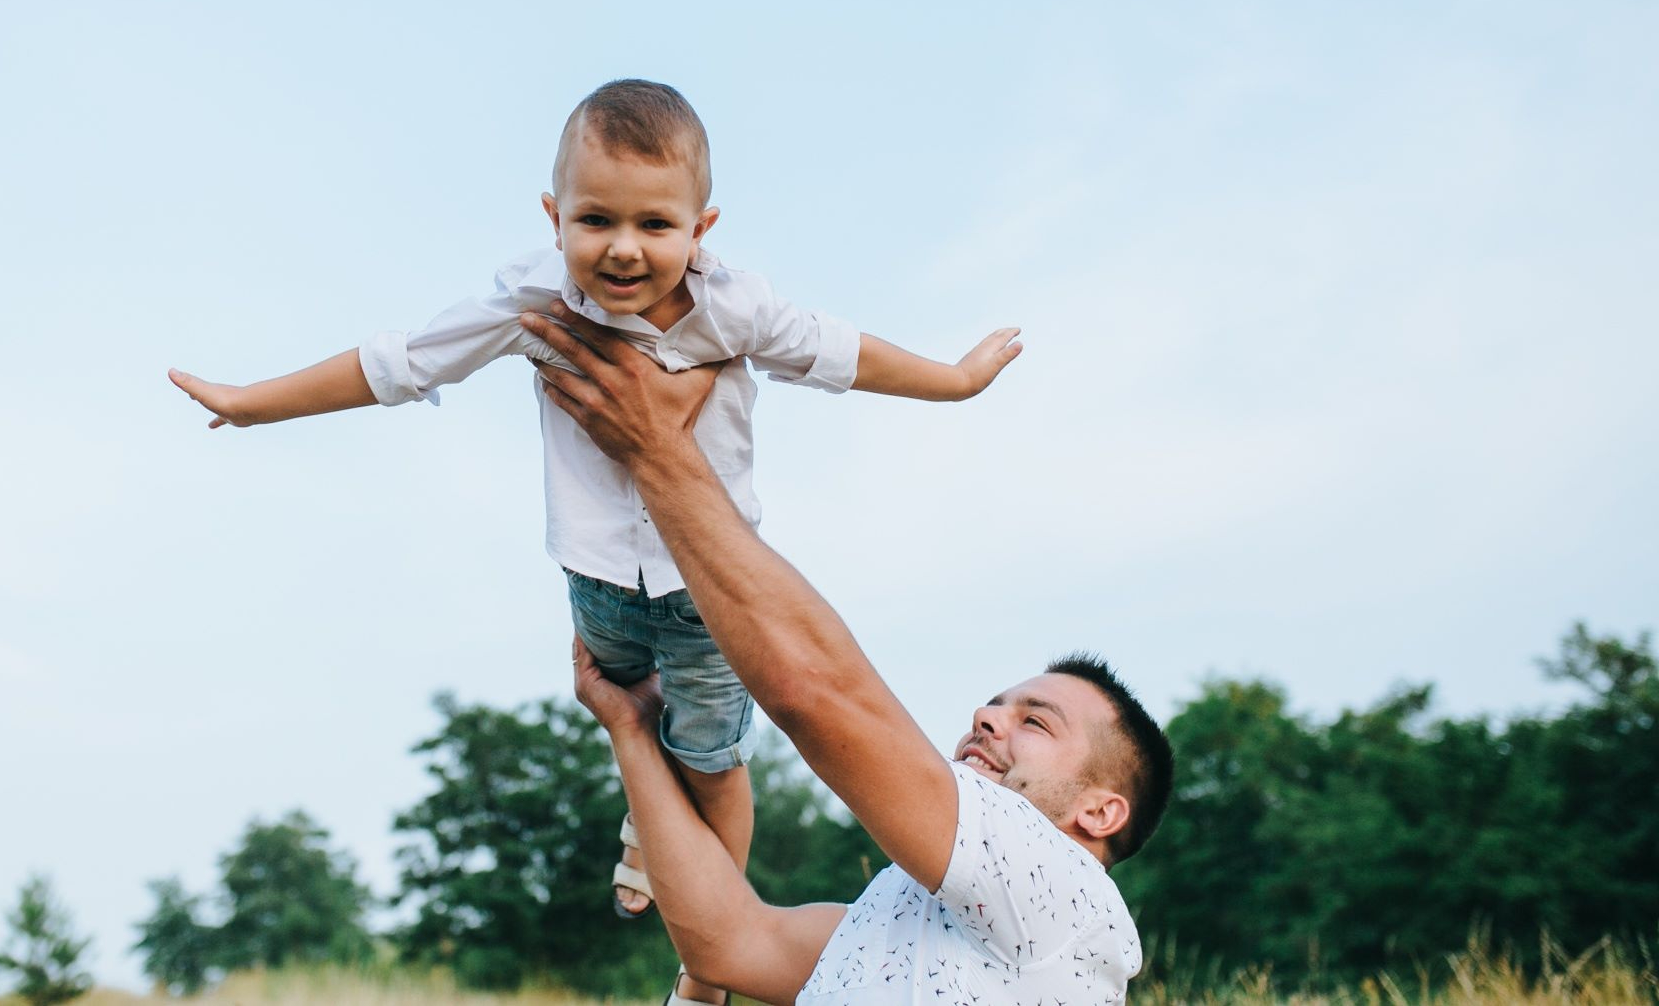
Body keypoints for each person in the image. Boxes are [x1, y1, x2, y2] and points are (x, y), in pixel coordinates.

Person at [167, 80, 1021, 1004]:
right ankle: (647, 821)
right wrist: (253, 404)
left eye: (655, 224)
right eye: (595, 219)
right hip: (600, 582)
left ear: (700, 228)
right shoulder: (533, 302)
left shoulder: (734, 307)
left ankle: (708, 966)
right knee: (635, 725)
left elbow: (841, 354)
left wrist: (955, 379)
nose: (622, 247)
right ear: (555, 216)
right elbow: (399, 363)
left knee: (712, 759)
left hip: (710, 593)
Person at [518, 302, 1174, 1006]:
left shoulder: (1067, 897)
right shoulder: (894, 916)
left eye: (1035, 721)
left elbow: (815, 690)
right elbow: (724, 943)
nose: (986, 717)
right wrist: (632, 728)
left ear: (1100, 813)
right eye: (998, 705)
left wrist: (658, 450)